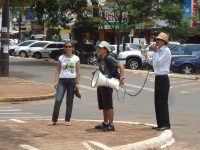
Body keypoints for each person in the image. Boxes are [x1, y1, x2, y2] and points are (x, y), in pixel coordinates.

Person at [141, 32, 171, 131]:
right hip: (158, 78)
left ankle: (165, 124)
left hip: (163, 78)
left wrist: (156, 52)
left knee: (162, 102)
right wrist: (145, 55)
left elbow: (158, 63)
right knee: (157, 102)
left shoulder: (166, 51)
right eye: (157, 39)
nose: (157, 41)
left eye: (159, 39)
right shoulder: (157, 51)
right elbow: (152, 62)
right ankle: (160, 124)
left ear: (164, 41)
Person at [94, 41, 125, 132]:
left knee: (108, 105)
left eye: (101, 48)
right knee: (104, 105)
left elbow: (121, 65)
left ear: (105, 49)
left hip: (108, 83)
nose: (99, 49)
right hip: (101, 82)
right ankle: (105, 123)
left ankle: (111, 124)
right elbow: (102, 69)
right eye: (99, 47)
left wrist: (122, 78)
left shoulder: (109, 58)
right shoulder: (100, 58)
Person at [51, 41, 80, 126]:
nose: (68, 48)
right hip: (62, 81)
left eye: (69, 46)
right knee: (58, 100)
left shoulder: (76, 58)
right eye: (66, 46)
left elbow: (78, 72)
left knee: (69, 101)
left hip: (72, 81)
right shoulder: (61, 58)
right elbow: (58, 70)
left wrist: (78, 83)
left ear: (72, 48)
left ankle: (67, 119)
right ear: (64, 48)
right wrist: (56, 81)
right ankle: (54, 119)